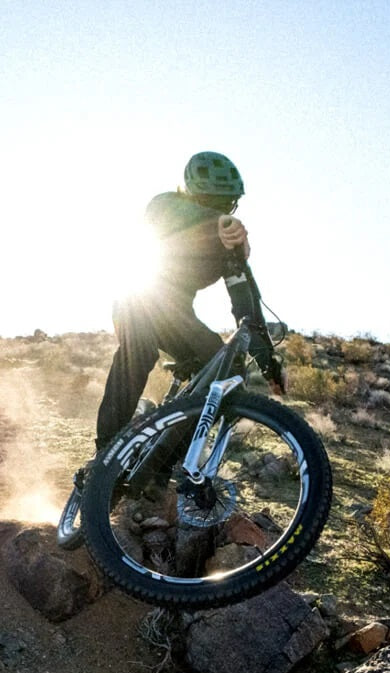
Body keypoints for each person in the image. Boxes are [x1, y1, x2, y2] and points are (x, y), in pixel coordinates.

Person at [92, 151, 285, 456]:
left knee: (228, 366)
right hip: (137, 302)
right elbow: (172, 215)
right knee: (139, 350)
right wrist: (216, 221)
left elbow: (245, 306)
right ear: (192, 194)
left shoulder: (227, 247)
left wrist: (267, 362)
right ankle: (105, 452)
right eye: (213, 202)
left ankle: (164, 462)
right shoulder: (164, 205)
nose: (223, 210)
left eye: (227, 204)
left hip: (176, 318)